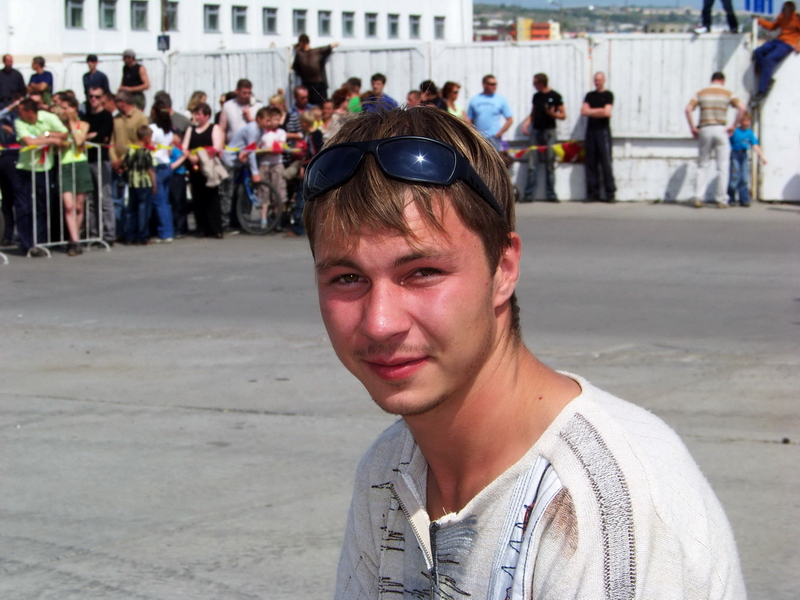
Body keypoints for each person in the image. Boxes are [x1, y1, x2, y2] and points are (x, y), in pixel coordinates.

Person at [301, 107, 747, 599]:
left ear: (504, 269)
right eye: (347, 278)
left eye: (423, 272)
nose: (380, 322)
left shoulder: (603, 508)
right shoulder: (390, 469)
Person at [14, 97, 69, 256]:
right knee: (24, 208)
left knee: (42, 207)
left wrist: (47, 134)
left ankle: (41, 242)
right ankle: (27, 244)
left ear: (30, 112)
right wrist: (50, 139)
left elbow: (64, 134)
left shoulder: (48, 118)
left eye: (21, 112)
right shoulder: (19, 122)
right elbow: (29, 142)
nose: (18, 114)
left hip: (44, 169)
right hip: (25, 168)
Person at [685, 71, 745, 208]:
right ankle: (721, 199)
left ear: (712, 80)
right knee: (723, 166)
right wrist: (734, 125)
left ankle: (699, 197)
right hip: (721, 129)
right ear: (722, 81)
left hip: (705, 129)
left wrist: (693, 127)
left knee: (702, 165)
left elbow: (688, 109)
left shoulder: (701, 93)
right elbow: (742, 108)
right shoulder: (728, 93)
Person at [218, 78, 263, 231]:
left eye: (249, 93)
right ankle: (225, 222)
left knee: (246, 188)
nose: (247, 95)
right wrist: (220, 148)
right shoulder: (228, 106)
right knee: (228, 189)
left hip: (250, 153)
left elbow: (261, 124)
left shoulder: (256, 106)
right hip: (232, 153)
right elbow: (222, 128)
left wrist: (250, 116)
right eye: (244, 92)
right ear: (237, 91)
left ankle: (244, 219)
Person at [109, 90, 149, 237]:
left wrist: (123, 160)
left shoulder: (140, 118)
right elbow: (112, 141)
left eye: (117, 101)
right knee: (117, 200)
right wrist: (114, 160)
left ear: (123, 102)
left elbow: (140, 142)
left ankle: (135, 232)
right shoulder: (116, 119)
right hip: (117, 166)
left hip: (134, 165)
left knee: (134, 201)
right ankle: (119, 231)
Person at [521, 73, 565, 202]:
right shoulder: (536, 96)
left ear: (541, 83)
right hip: (536, 131)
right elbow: (533, 113)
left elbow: (563, 115)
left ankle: (551, 194)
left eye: (535, 83)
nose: (534, 85)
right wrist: (526, 124)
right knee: (532, 163)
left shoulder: (555, 96)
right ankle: (529, 194)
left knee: (549, 163)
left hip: (549, 132)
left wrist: (552, 114)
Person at [182, 102, 224, 238]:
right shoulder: (191, 129)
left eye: (199, 114)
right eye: (195, 114)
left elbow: (216, 147)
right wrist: (190, 156)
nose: (196, 117)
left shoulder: (214, 128)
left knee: (212, 197)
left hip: (209, 167)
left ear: (207, 116)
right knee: (198, 197)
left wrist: (200, 155)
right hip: (195, 168)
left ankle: (216, 228)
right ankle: (201, 228)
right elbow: (184, 147)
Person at [59, 97, 93, 256]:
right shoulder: (60, 126)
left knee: (79, 206)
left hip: (80, 163)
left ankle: (74, 237)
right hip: (65, 164)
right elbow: (62, 144)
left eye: (66, 108)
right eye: (62, 108)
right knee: (68, 206)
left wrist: (73, 124)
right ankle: (74, 241)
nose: (64, 111)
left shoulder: (83, 124)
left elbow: (79, 141)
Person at [84, 86, 115, 246]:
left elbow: (101, 137)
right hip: (87, 160)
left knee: (105, 198)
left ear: (103, 98)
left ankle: (109, 233)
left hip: (101, 160)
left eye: (96, 96)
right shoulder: (85, 116)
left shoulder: (106, 116)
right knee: (90, 199)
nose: (93, 99)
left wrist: (88, 137)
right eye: (91, 96)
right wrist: (88, 136)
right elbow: (80, 136)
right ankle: (94, 233)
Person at [751, 1, 800, 101]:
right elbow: (772, 27)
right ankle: (767, 78)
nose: (785, 15)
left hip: (789, 43)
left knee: (769, 59)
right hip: (778, 40)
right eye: (783, 12)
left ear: (792, 12)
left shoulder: (797, 18)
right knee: (758, 52)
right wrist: (759, 20)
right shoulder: (781, 16)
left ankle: (762, 90)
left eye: (787, 13)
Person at [581, 72, 616, 202]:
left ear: (604, 80)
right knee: (591, 162)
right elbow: (583, 111)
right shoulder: (589, 95)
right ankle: (593, 193)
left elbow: (607, 113)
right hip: (590, 131)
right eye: (595, 80)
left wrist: (592, 111)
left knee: (606, 162)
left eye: (599, 80)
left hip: (603, 131)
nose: (597, 82)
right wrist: (599, 110)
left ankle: (610, 193)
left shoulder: (608, 95)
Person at [121, 125, 157, 244]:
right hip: (144, 183)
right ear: (146, 137)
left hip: (132, 183)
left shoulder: (131, 149)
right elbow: (150, 169)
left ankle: (130, 236)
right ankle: (143, 236)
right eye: (150, 137)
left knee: (132, 211)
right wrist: (154, 184)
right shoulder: (146, 151)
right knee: (143, 211)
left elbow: (125, 164)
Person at [149, 100, 177, 242]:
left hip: (157, 166)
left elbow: (149, 146)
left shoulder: (153, 129)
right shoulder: (169, 130)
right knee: (165, 201)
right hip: (167, 165)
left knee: (159, 202)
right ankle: (168, 230)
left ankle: (165, 233)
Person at [257, 106, 288, 230]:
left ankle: (277, 220)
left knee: (278, 191)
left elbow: (279, 148)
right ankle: (263, 219)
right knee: (263, 192)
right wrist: (264, 150)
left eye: (276, 119)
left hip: (276, 164)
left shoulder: (281, 133)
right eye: (271, 119)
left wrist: (266, 149)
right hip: (264, 164)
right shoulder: (262, 133)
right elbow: (257, 148)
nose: (274, 122)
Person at [728, 111, 767, 206]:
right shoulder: (735, 131)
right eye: (744, 121)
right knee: (734, 178)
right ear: (740, 121)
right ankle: (731, 198)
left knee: (745, 178)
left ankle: (744, 199)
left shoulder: (749, 133)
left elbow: (755, 145)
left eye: (748, 121)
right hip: (735, 154)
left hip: (744, 155)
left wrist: (762, 157)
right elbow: (726, 143)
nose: (746, 123)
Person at [467, 74, 513, 151]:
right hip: (479, 137)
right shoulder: (475, 100)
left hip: (494, 137)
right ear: (484, 84)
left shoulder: (500, 99)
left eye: (495, 84)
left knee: (494, 158)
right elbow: (469, 120)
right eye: (492, 84)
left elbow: (510, 120)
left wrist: (500, 133)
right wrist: (472, 134)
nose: (494, 86)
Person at [292, 34, 339, 106]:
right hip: (310, 83)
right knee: (312, 105)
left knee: (320, 104)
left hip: (317, 83)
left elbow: (328, 47)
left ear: (301, 43)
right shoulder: (302, 54)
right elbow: (296, 68)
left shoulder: (311, 52)